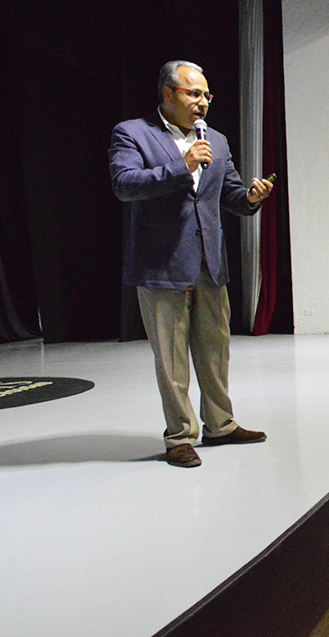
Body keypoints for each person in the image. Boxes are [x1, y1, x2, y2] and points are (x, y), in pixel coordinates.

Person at [109, 60, 272, 468]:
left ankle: (221, 425)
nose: (203, 103)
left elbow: (230, 193)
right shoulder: (132, 133)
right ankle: (180, 436)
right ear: (168, 94)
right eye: (194, 94)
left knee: (216, 350)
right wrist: (180, 168)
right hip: (161, 264)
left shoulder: (213, 138)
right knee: (171, 358)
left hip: (209, 263)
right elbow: (124, 185)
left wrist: (251, 197)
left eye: (207, 96)